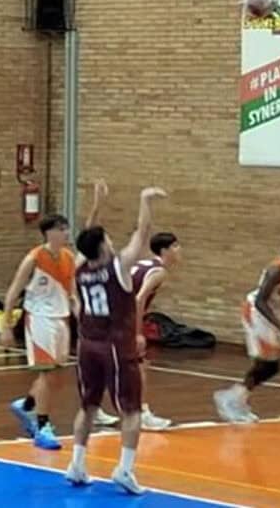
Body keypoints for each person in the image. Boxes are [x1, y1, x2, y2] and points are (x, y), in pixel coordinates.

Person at [64, 185, 166, 495]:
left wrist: (97, 205)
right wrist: (144, 201)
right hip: (115, 346)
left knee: (88, 406)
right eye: (107, 238)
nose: (111, 241)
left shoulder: (80, 268)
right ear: (103, 246)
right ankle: (124, 469)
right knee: (132, 411)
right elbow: (142, 233)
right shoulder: (118, 267)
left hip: (86, 344)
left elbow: (86, 237)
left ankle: (77, 464)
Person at [213, 224, 280, 423]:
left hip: (266, 316)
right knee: (269, 364)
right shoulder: (277, 270)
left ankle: (236, 398)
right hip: (255, 312)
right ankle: (232, 399)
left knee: (269, 365)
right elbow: (260, 301)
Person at [3, 213, 77, 450]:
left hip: (61, 318)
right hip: (39, 318)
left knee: (57, 378)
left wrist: (81, 315)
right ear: (49, 233)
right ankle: (42, 427)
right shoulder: (34, 258)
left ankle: (26, 405)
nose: (66, 233)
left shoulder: (69, 257)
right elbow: (13, 291)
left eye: (67, 228)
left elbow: (72, 292)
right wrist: (6, 325)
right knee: (48, 374)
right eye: (62, 229)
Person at [128, 231, 181, 430]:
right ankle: (142, 413)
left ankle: (96, 408)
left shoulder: (144, 264)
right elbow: (138, 299)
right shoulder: (159, 271)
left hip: (111, 316)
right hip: (125, 319)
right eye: (175, 246)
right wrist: (137, 332)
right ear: (164, 251)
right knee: (140, 365)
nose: (179, 250)